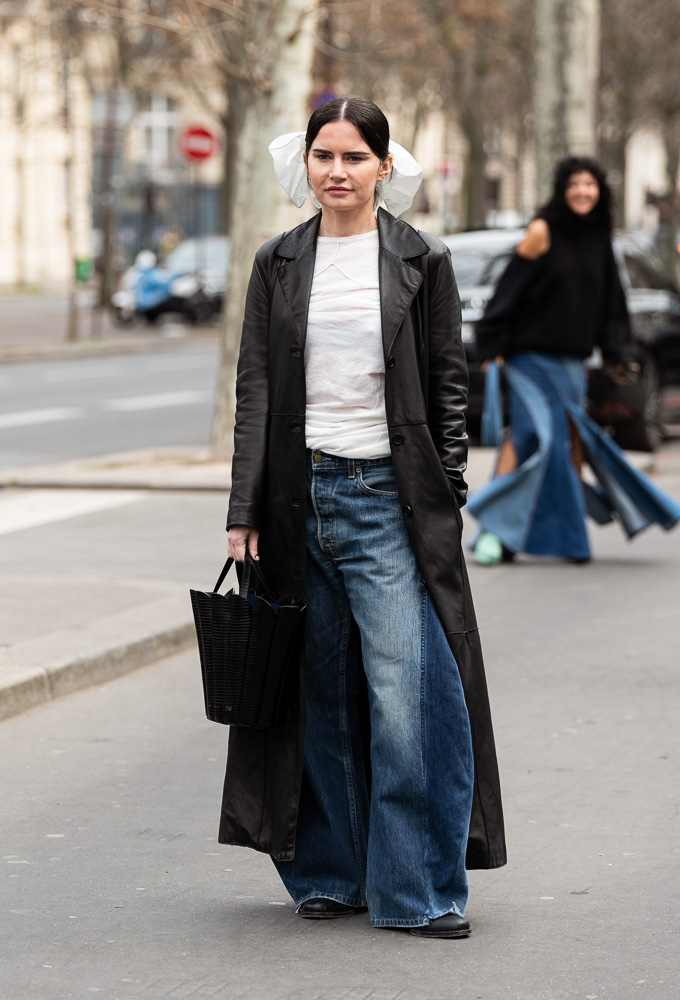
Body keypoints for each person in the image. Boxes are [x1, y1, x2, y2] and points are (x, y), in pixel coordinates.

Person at [219, 96, 506, 938]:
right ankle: (331, 874)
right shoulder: (277, 261)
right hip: (294, 500)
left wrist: (444, 486)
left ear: (385, 164)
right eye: (322, 156)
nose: (336, 171)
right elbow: (256, 391)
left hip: (387, 499)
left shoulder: (421, 258)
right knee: (319, 699)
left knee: (407, 699)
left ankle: (417, 891)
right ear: (303, 164)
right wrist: (244, 510)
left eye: (353, 156)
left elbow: (450, 382)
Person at [468, 156, 680, 565]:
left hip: (571, 363)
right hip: (528, 359)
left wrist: (620, 352)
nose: (582, 191)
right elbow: (507, 292)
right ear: (562, 190)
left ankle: (558, 532)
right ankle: (493, 531)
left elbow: (610, 304)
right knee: (533, 436)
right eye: (575, 184)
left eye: (590, 184)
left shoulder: (601, 238)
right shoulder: (542, 231)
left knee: (563, 442)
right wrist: (490, 345)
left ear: (600, 191)